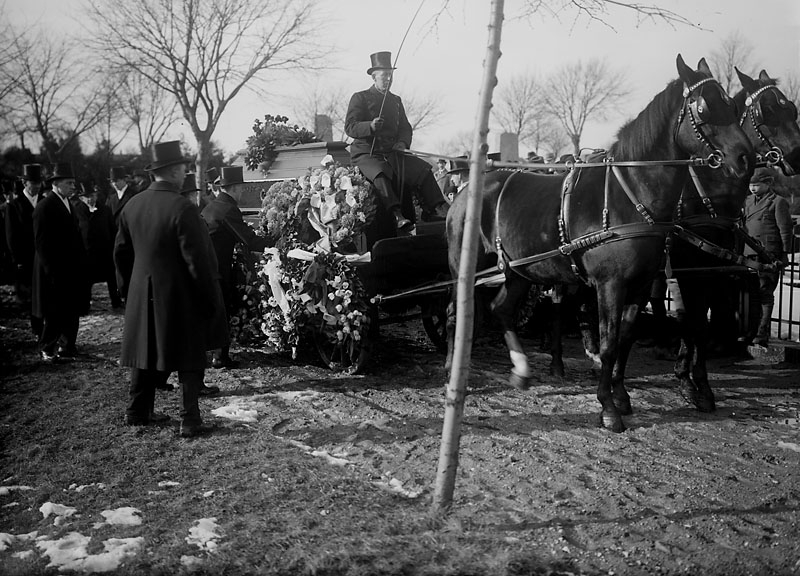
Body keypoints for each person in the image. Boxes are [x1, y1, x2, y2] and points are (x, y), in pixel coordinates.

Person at [114, 141, 221, 437]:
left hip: (141, 292)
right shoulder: (183, 208)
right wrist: (207, 297)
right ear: (174, 171)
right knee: (189, 355)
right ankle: (190, 420)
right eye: (183, 168)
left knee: (144, 351)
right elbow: (197, 261)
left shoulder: (132, 205)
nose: (185, 172)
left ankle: (137, 411)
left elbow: (120, 253)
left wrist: (129, 290)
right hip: (179, 294)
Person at [345, 51, 448, 232]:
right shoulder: (360, 97)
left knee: (422, 168)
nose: (388, 79)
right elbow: (350, 127)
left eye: (390, 75)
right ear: (374, 77)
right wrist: (370, 126)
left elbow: (405, 128)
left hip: (392, 153)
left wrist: (402, 143)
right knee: (380, 173)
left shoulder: (396, 101)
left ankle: (436, 208)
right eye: (384, 75)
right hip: (367, 153)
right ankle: (397, 214)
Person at [200, 166, 268, 369]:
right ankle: (220, 357)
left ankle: (212, 353)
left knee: (213, 311)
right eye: (241, 188)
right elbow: (249, 240)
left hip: (207, 267)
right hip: (219, 269)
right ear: (235, 188)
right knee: (223, 311)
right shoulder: (228, 209)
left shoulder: (211, 207)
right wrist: (276, 241)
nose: (242, 192)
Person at [31, 163, 88, 362]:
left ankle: (67, 346)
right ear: (55, 184)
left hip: (70, 267)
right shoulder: (44, 207)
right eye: (69, 183)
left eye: (73, 182)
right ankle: (47, 347)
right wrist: (51, 272)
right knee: (54, 310)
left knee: (71, 309)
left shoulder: (68, 204)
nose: (73, 186)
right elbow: (42, 244)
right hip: (54, 270)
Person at [739, 167, 794, 347]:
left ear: (768, 183)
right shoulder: (747, 201)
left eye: (757, 185)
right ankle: (749, 331)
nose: (753, 188)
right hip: (748, 253)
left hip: (769, 254)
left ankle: (762, 333)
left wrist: (784, 254)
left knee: (765, 294)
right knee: (751, 295)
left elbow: (785, 230)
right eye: (751, 185)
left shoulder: (778, 202)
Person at [5, 165, 45, 336]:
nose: (37, 186)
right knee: (31, 296)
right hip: (26, 258)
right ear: (24, 183)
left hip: (44, 256)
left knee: (45, 292)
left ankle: (46, 327)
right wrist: (18, 259)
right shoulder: (14, 206)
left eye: (39, 183)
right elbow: (11, 236)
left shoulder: (44, 201)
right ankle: (37, 328)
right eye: (33, 183)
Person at [73, 184, 123, 310]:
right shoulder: (76, 211)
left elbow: (112, 229)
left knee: (111, 277)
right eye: (87, 197)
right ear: (81, 198)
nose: (90, 199)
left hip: (104, 250)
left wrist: (113, 246)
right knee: (86, 279)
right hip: (87, 251)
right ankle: (84, 304)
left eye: (92, 196)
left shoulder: (105, 210)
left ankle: (116, 301)